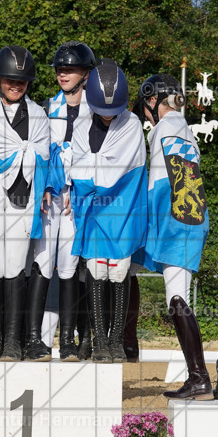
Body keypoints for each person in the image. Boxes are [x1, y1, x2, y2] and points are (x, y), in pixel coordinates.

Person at [134, 73, 211, 398]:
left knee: (176, 297)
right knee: (170, 293)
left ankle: (199, 377)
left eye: (146, 108)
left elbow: (158, 183)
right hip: (185, 212)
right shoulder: (182, 128)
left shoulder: (166, 127)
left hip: (177, 215)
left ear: (153, 101)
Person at [0, 46, 51, 361]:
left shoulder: (40, 116)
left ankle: (14, 341)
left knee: (17, 266)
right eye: (9, 79)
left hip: (24, 199)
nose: (15, 85)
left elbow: (44, 158)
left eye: (21, 80)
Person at [69, 60, 147, 362]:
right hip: (91, 205)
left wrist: (93, 171)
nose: (107, 117)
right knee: (96, 268)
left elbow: (127, 165)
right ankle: (99, 337)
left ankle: (117, 338)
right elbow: (78, 162)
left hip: (123, 204)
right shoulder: (80, 125)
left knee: (120, 268)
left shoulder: (131, 124)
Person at [27, 41, 95, 361]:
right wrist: (42, 187)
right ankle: (33, 339)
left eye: (70, 69)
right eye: (60, 69)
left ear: (85, 74)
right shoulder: (45, 109)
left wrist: (81, 191)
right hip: (49, 197)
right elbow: (39, 156)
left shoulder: (96, 113)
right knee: (43, 263)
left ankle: (67, 340)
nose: (63, 74)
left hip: (76, 200)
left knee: (69, 266)